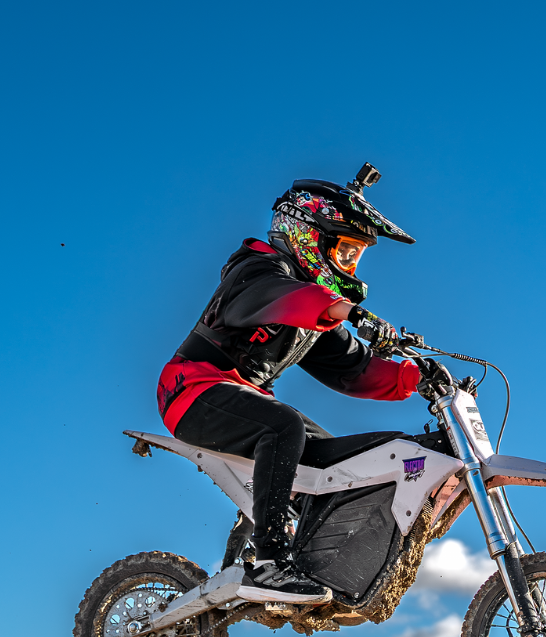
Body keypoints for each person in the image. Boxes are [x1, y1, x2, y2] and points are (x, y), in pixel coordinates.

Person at [156, 164, 420, 604]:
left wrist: (419, 378)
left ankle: (310, 560)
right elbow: (283, 296)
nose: (350, 265)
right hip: (192, 391)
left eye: (355, 256)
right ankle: (269, 561)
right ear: (309, 235)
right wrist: (347, 311)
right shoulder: (255, 270)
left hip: (246, 399)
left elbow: (355, 368)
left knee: (339, 463)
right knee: (284, 427)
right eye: (346, 252)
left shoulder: (312, 313)